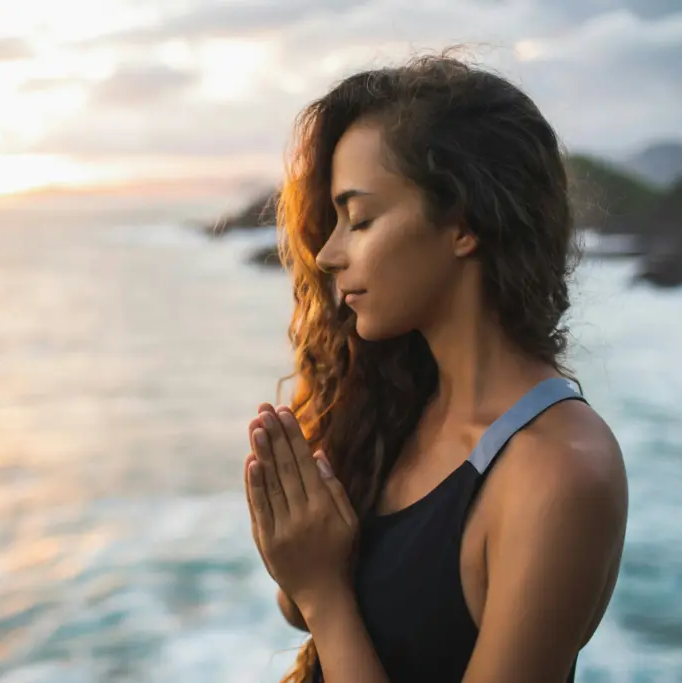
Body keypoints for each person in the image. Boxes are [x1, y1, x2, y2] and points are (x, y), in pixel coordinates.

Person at [242, 51, 629, 683]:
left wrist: (323, 592)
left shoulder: (558, 472)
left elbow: (323, 603)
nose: (329, 253)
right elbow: (304, 607)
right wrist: (298, 548)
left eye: (360, 219)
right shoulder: (394, 401)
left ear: (462, 224)